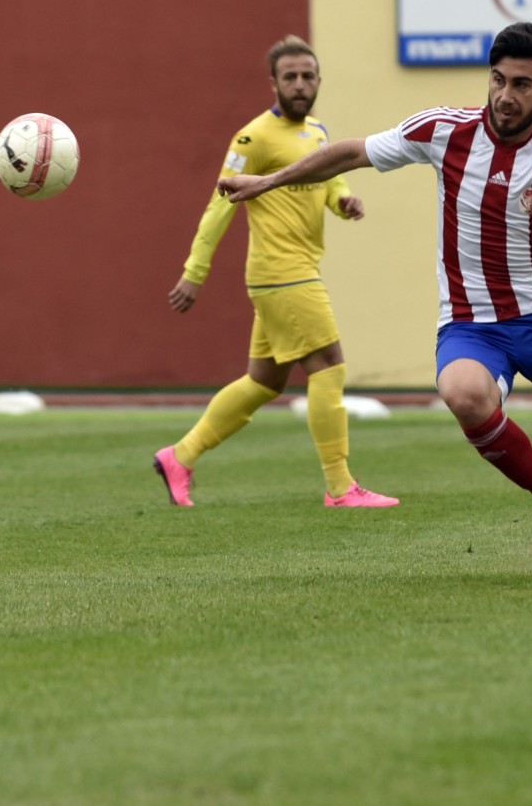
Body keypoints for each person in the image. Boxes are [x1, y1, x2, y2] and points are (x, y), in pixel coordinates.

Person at [218, 22, 532, 580]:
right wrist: (267, 181)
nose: (505, 95)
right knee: (462, 393)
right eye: (498, 79)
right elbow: (350, 153)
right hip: (471, 324)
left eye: (522, 84)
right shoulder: (445, 130)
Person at [153, 35, 398, 509]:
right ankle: (340, 487)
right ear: (274, 83)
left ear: (319, 80)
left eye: (308, 76)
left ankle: (179, 457)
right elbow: (219, 205)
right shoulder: (253, 138)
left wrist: (342, 201)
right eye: (291, 77)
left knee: (264, 381)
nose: (300, 84)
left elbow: (327, 178)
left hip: (291, 272)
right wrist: (194, 272)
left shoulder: (318, 132)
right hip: (283, 272)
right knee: (329, 364)